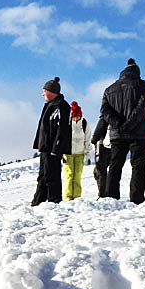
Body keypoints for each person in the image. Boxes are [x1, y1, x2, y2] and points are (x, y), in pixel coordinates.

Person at [100, 58, 145, 204]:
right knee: (138, 166)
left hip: (117, 133)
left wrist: (118, 124)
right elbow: (141, 108)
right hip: (138, 132)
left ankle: (111, 197)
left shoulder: (109, 89)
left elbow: (104, 110)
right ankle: (136, 198)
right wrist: (128, 125)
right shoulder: (143, 85)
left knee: (115, 165)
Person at [31, 77, 71, 206]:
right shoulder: (49, 106)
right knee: (43, 175)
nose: (43, 93)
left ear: (52, 92)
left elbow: (63, 128)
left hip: (53, 148)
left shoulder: (61, 106)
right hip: (45, 146)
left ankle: (54, 201)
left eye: (45, 91)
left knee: (51, 176)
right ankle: (38, 202)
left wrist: (57, 147)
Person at [63, 101, 91, 200]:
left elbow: (87, 140)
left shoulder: (84, 124)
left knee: (77, 176)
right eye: (74, 116)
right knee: (69, 175)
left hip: (80, 153)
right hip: (68, 153)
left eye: (77, 116)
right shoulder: (67, 123)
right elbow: (62, 138)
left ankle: (77, 197)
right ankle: (68, 197)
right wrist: (62, 154)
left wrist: (88, 154)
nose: (76, 118)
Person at [91, 117, 111, 199]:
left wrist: (94, 139)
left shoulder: (105, 116)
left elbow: (98, 130)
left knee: (100, 170)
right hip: (114, 145)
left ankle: (102, 193)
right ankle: (108, 192)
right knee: (111, 169)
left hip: (102, 145)